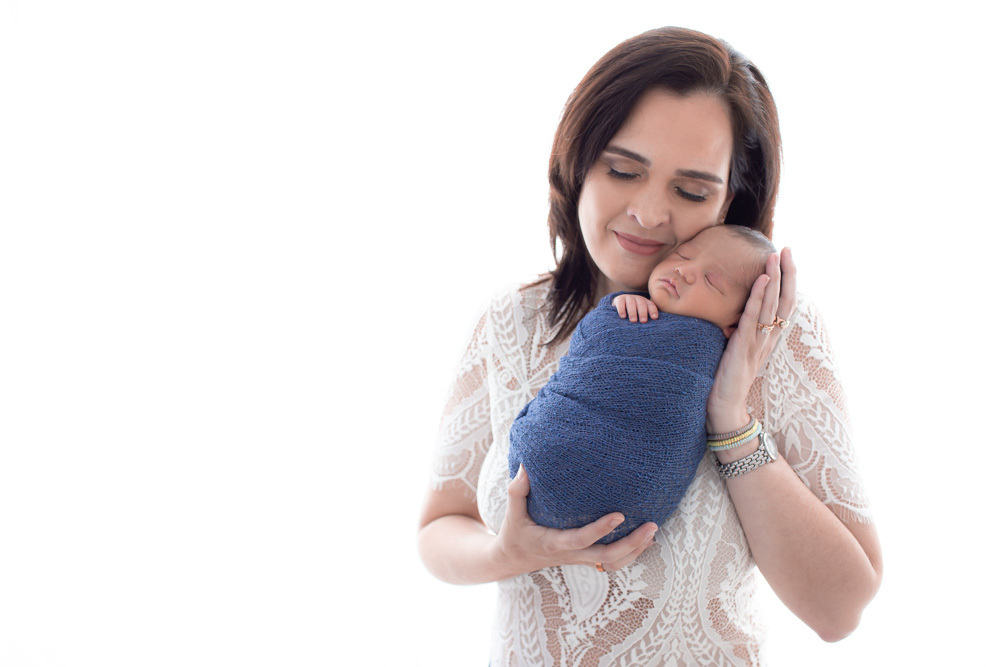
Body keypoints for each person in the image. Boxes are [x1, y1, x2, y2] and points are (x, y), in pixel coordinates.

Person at [419, 26, 882, 665]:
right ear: (578, 161)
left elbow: (841, 611)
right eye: (623, 169)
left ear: (732, 201)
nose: (647, 212)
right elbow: (440, 525)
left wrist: (731, 419)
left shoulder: (772, 336)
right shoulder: (514, 321)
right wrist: (504, 554)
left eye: (691, 191)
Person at [509, 225, 775, 545]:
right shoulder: (624, 306)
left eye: (711, 280)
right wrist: (620, 306)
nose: (685, 270)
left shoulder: (717, 348)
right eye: (684, 254)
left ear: (736, 323)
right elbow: (594, 343)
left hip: (630, 491)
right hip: (543, 460)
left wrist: (729, 407)